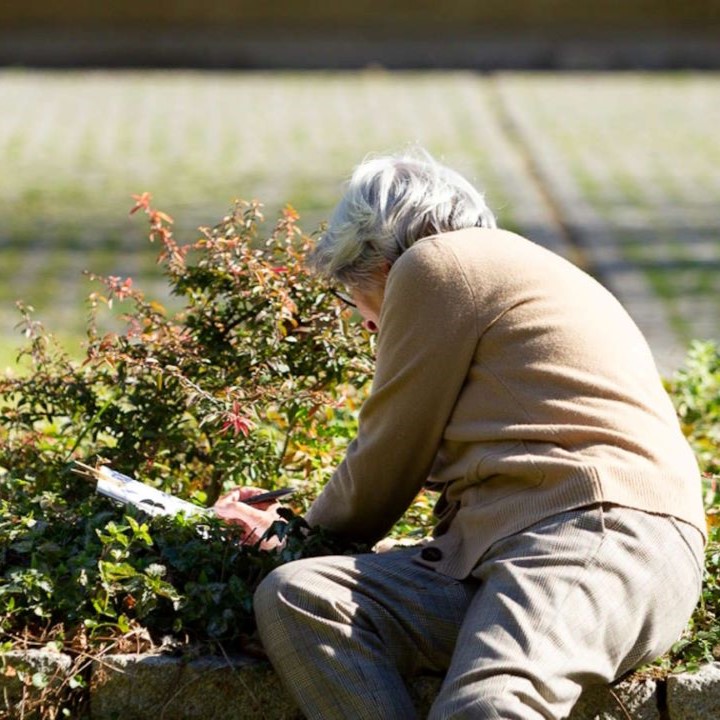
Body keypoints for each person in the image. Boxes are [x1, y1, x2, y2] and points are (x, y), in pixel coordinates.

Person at [213, 148, 706, 719]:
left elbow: (387, 456)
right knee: (304, 598)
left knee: (489, 707)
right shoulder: (516, 274)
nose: (367, 322)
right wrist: (295, 554)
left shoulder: (437, 264)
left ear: (379, 258)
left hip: (594, 535)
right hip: (525, 552)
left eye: (356, 294)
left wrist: (293, 536)